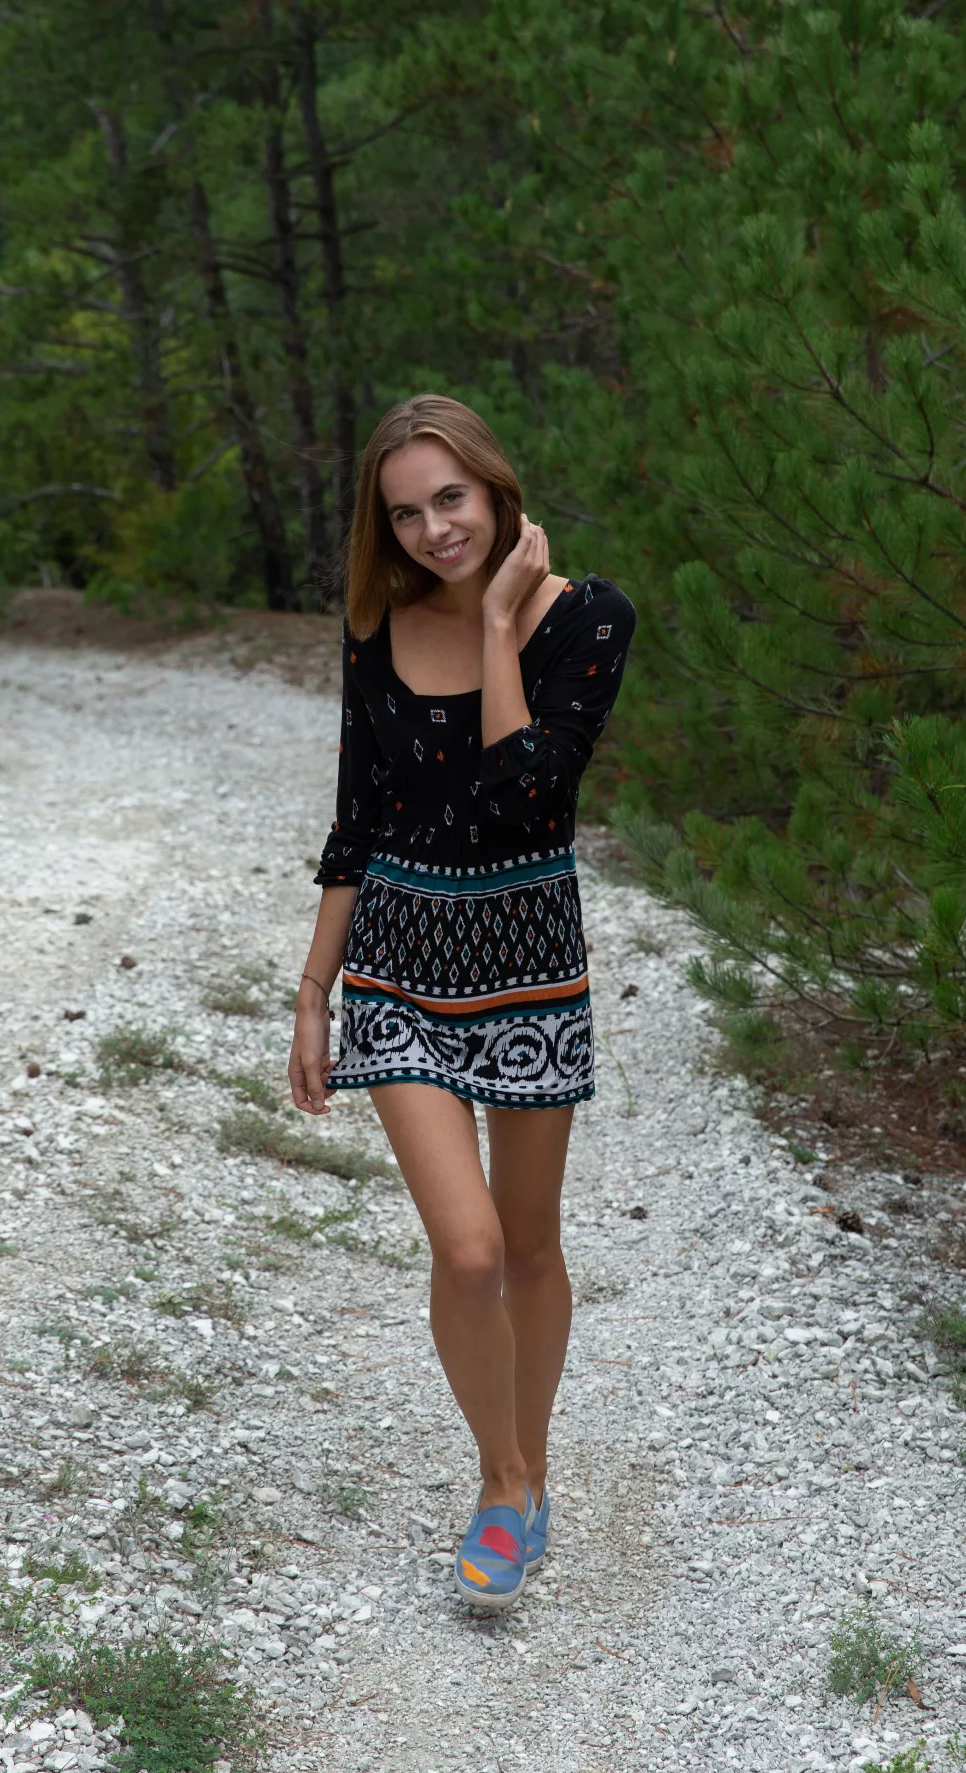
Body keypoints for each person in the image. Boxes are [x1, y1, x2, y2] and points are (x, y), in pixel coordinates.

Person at [288, 393, 634, 1611]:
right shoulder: (375, 628)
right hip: (400, 970)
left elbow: (526, 792)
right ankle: (502, 1485)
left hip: (532, 962)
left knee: (531, 1246)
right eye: (405, 514)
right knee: (470, 1246)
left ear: (493, 488)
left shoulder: (590, 616)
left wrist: (495, 624)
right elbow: (359, 818)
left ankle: (531, 1472)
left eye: (451, 499)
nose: (434, 529)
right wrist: (314, 992)